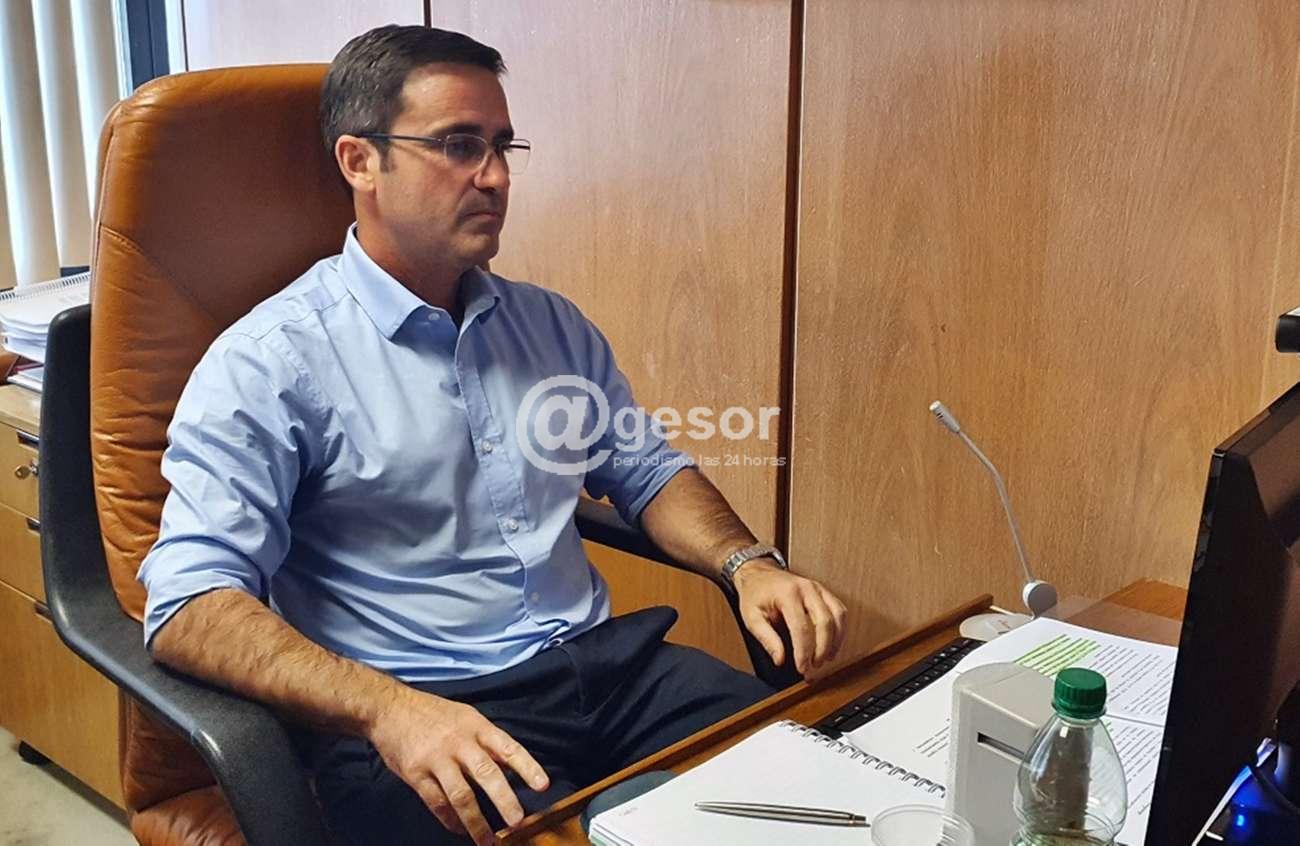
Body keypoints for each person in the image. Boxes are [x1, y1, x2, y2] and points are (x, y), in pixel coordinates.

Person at [138, 24, 848, 846]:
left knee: (821, 792)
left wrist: (746, 564)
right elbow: (188, 603)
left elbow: (648, 471)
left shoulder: (548, 325)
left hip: (609, 671)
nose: (497, 176)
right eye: (459, 145)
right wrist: (387, 710)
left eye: (503, 146)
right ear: (360, 162)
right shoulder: (270, 361)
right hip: (428, 711)